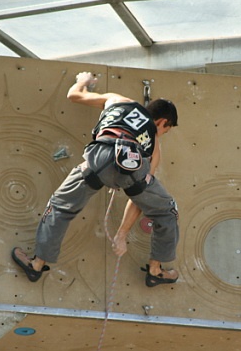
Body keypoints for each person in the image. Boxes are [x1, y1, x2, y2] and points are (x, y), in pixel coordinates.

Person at [12, 71, 180, 287]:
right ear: (163, 122)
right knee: (167, 212)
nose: (163, 133)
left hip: (99, 159)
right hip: (132, 165)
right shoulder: (154, 141)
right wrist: (121, 234)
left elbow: (74, 95)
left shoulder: (117, 100)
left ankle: (36, 264)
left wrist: (83, 80)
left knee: (60, 206)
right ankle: (155, 271)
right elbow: (141, 198)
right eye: (166, 130)